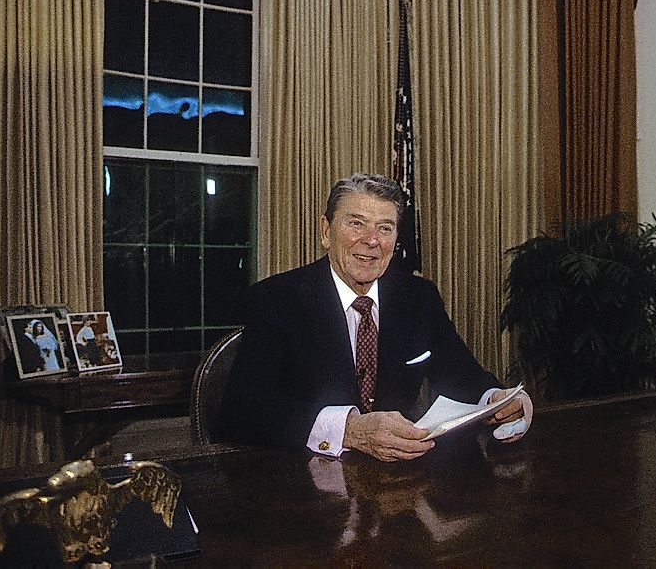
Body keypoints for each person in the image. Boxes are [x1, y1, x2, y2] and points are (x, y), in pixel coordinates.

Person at [219, 173, 532, 462]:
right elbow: (242, 411)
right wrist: (350, 430)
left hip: (399, 486)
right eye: (356, 224)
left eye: (385, 228)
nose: (371, 240)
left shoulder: (417, 297)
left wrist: (497, 399)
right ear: (326, 231)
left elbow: (460, 373)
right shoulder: (277, 299)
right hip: (307, 481)